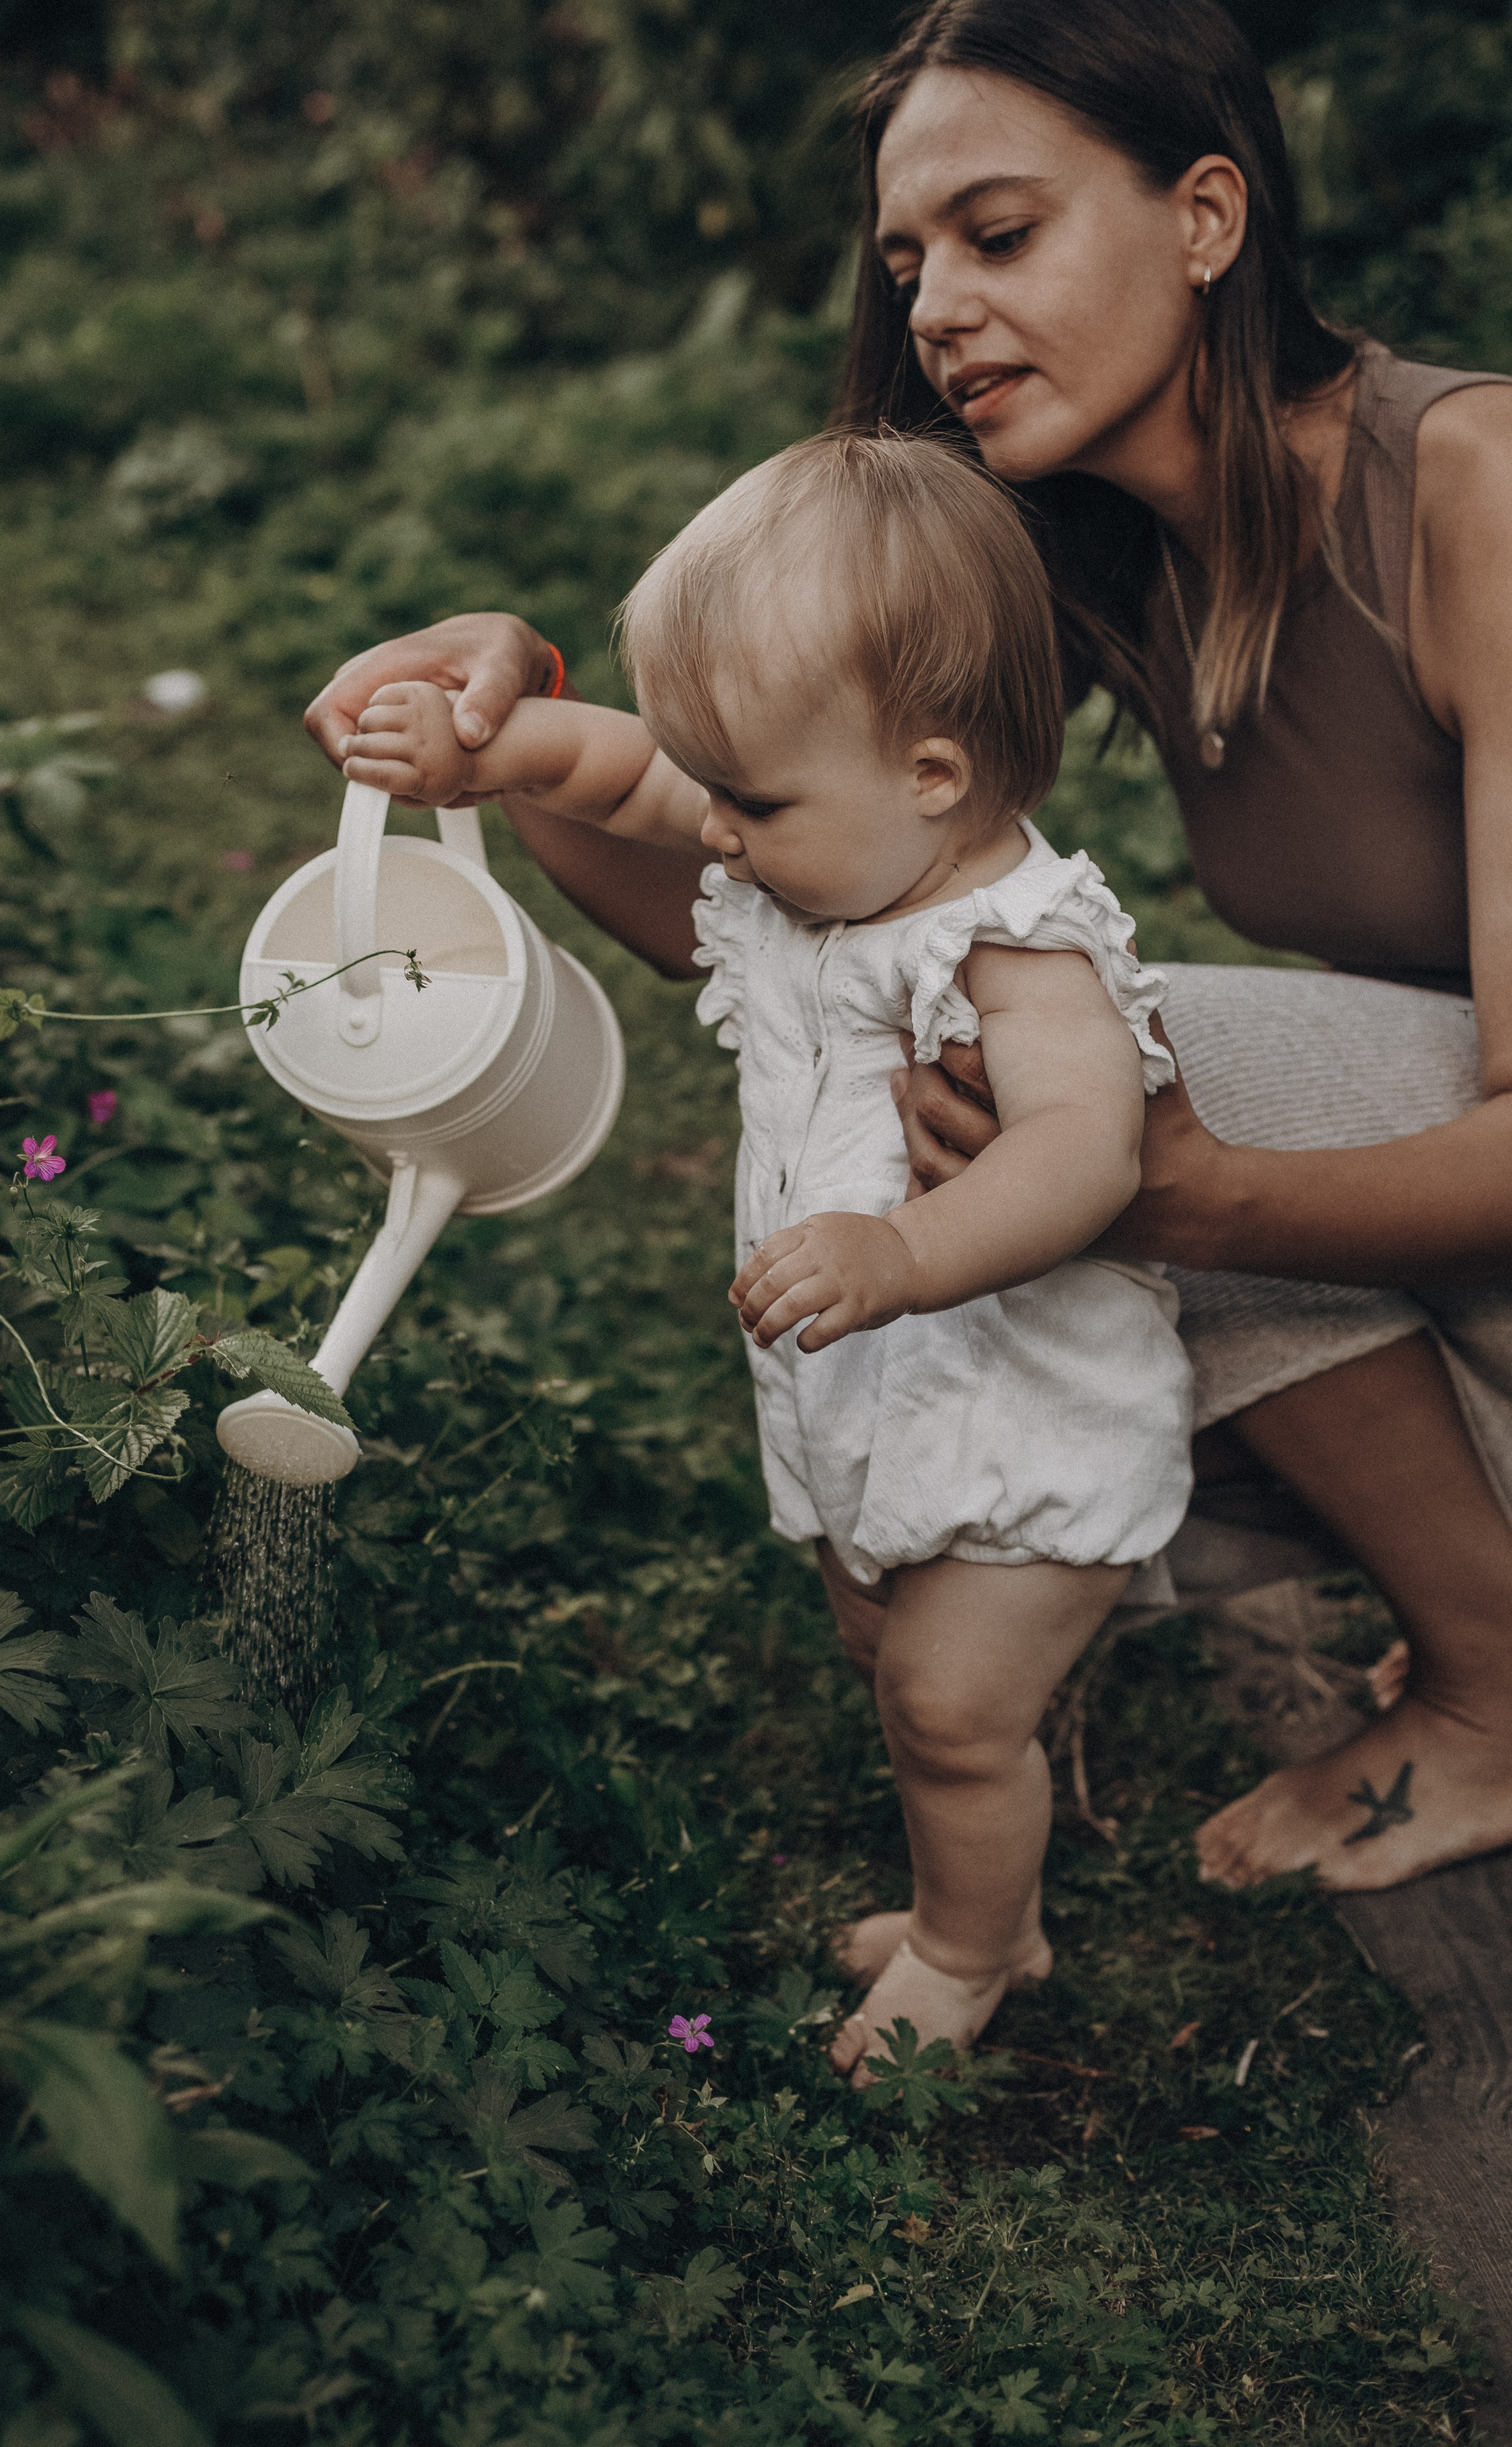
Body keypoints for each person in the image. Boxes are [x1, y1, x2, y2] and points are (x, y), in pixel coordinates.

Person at [306, 0, 1512, 1899]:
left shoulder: (1473, 492)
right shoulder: (1094, 539)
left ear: (1208, 216)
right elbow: (785, 905)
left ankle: (1496, 1688)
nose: (939, 305)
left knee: (1124, 1060)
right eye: (906, 262)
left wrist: (1189, 1192)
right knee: (1006, 1079)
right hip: (1457, 1252)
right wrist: (515, 724)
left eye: (1000, 233)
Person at [338, 428, 1193, 2075]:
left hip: (1020, 1407)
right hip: (863, 1385)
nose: (712, 834)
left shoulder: (1020, 948)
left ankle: (973, 1951)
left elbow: (1087, 1152)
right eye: (713, 786)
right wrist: (482, 755)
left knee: (951, 1706)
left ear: (932, 775)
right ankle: (975, 1899)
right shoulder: (822, 841)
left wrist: (902, 1248)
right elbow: (617, 774)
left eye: (748, 801)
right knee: (881, 1645)